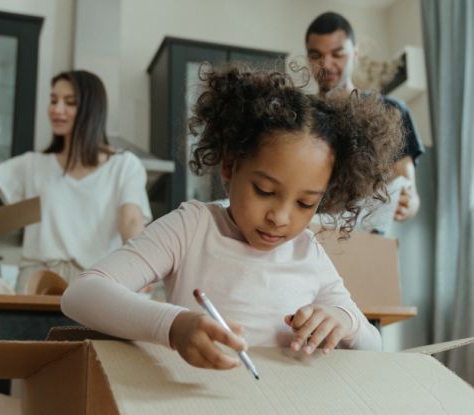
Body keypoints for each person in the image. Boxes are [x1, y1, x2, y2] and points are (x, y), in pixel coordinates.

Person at [61, 64, 404, 372]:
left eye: (305, 203)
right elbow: (82, 294)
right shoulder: (192, 228)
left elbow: (374, 344)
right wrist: (174, 326)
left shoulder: (308, 251)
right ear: (229, 164)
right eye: (265, 191)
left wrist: (344, 320)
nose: (280, 217)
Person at [0, 70, 151, 292]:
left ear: (92, 109)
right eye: (53, 100)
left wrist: (143, 270)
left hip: (95, 283)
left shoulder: (124, 165)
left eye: (69, 102)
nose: (56, 109)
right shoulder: (32, 165)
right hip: (36, 283)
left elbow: (130, 221)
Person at [305, 11, 425, 223]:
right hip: (306, 233)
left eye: (337, 54)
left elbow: (408, 191)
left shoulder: (390, 110)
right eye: (316, 55)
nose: (326, 64)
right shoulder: (300, 113)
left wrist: (409, 203)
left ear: (355, 54)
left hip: (367, 237)